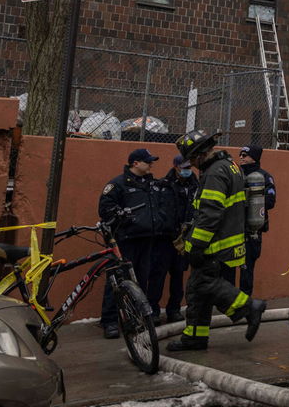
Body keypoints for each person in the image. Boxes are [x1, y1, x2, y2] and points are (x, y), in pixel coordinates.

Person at [166, 130, 266, 353]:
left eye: (192, 158)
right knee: (197, 291)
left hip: (214, 244)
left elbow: (210, 213)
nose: (190, 164)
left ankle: (250, 307)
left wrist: (196, 246)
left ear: (200, 153)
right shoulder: (229, 165)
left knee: (204, 285)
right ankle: (195, 338)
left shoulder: (214, 173)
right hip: (225, 241)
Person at [97, 148, 174, 337]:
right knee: (118, 280)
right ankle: (109, 321)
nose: (151, 164)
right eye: (147, 161)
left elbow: (160, 207)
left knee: (140, 280)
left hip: (147, 240)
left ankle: (136, 319)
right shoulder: (118, 185)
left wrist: (160, 222)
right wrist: (125, 222)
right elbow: (106, 209)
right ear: (135, 163)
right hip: (124, 241)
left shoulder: (151, 184)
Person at [221, 145, 276, 295]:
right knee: (228, 267)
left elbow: (271, 201)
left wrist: (252, 199)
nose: (241, 158)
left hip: (252, 230)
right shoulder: (235, 174)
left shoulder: (264, 177)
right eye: (240, 155)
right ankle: (229, 299)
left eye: (245, 155)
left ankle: (245, 301)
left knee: (247, 268)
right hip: (233, 229)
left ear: (254, 158)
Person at [160, 152, 199, 323]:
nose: (187, 171)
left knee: (178, 276)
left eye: (189, 168)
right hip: (167, 237)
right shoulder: (165, 184)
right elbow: (164, 210)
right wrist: (173, 232)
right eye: (184, 168)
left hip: (186, 236)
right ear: (175, 167)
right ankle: (153, 310)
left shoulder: (195, 185)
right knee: (158, 275)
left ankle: (174, 309)